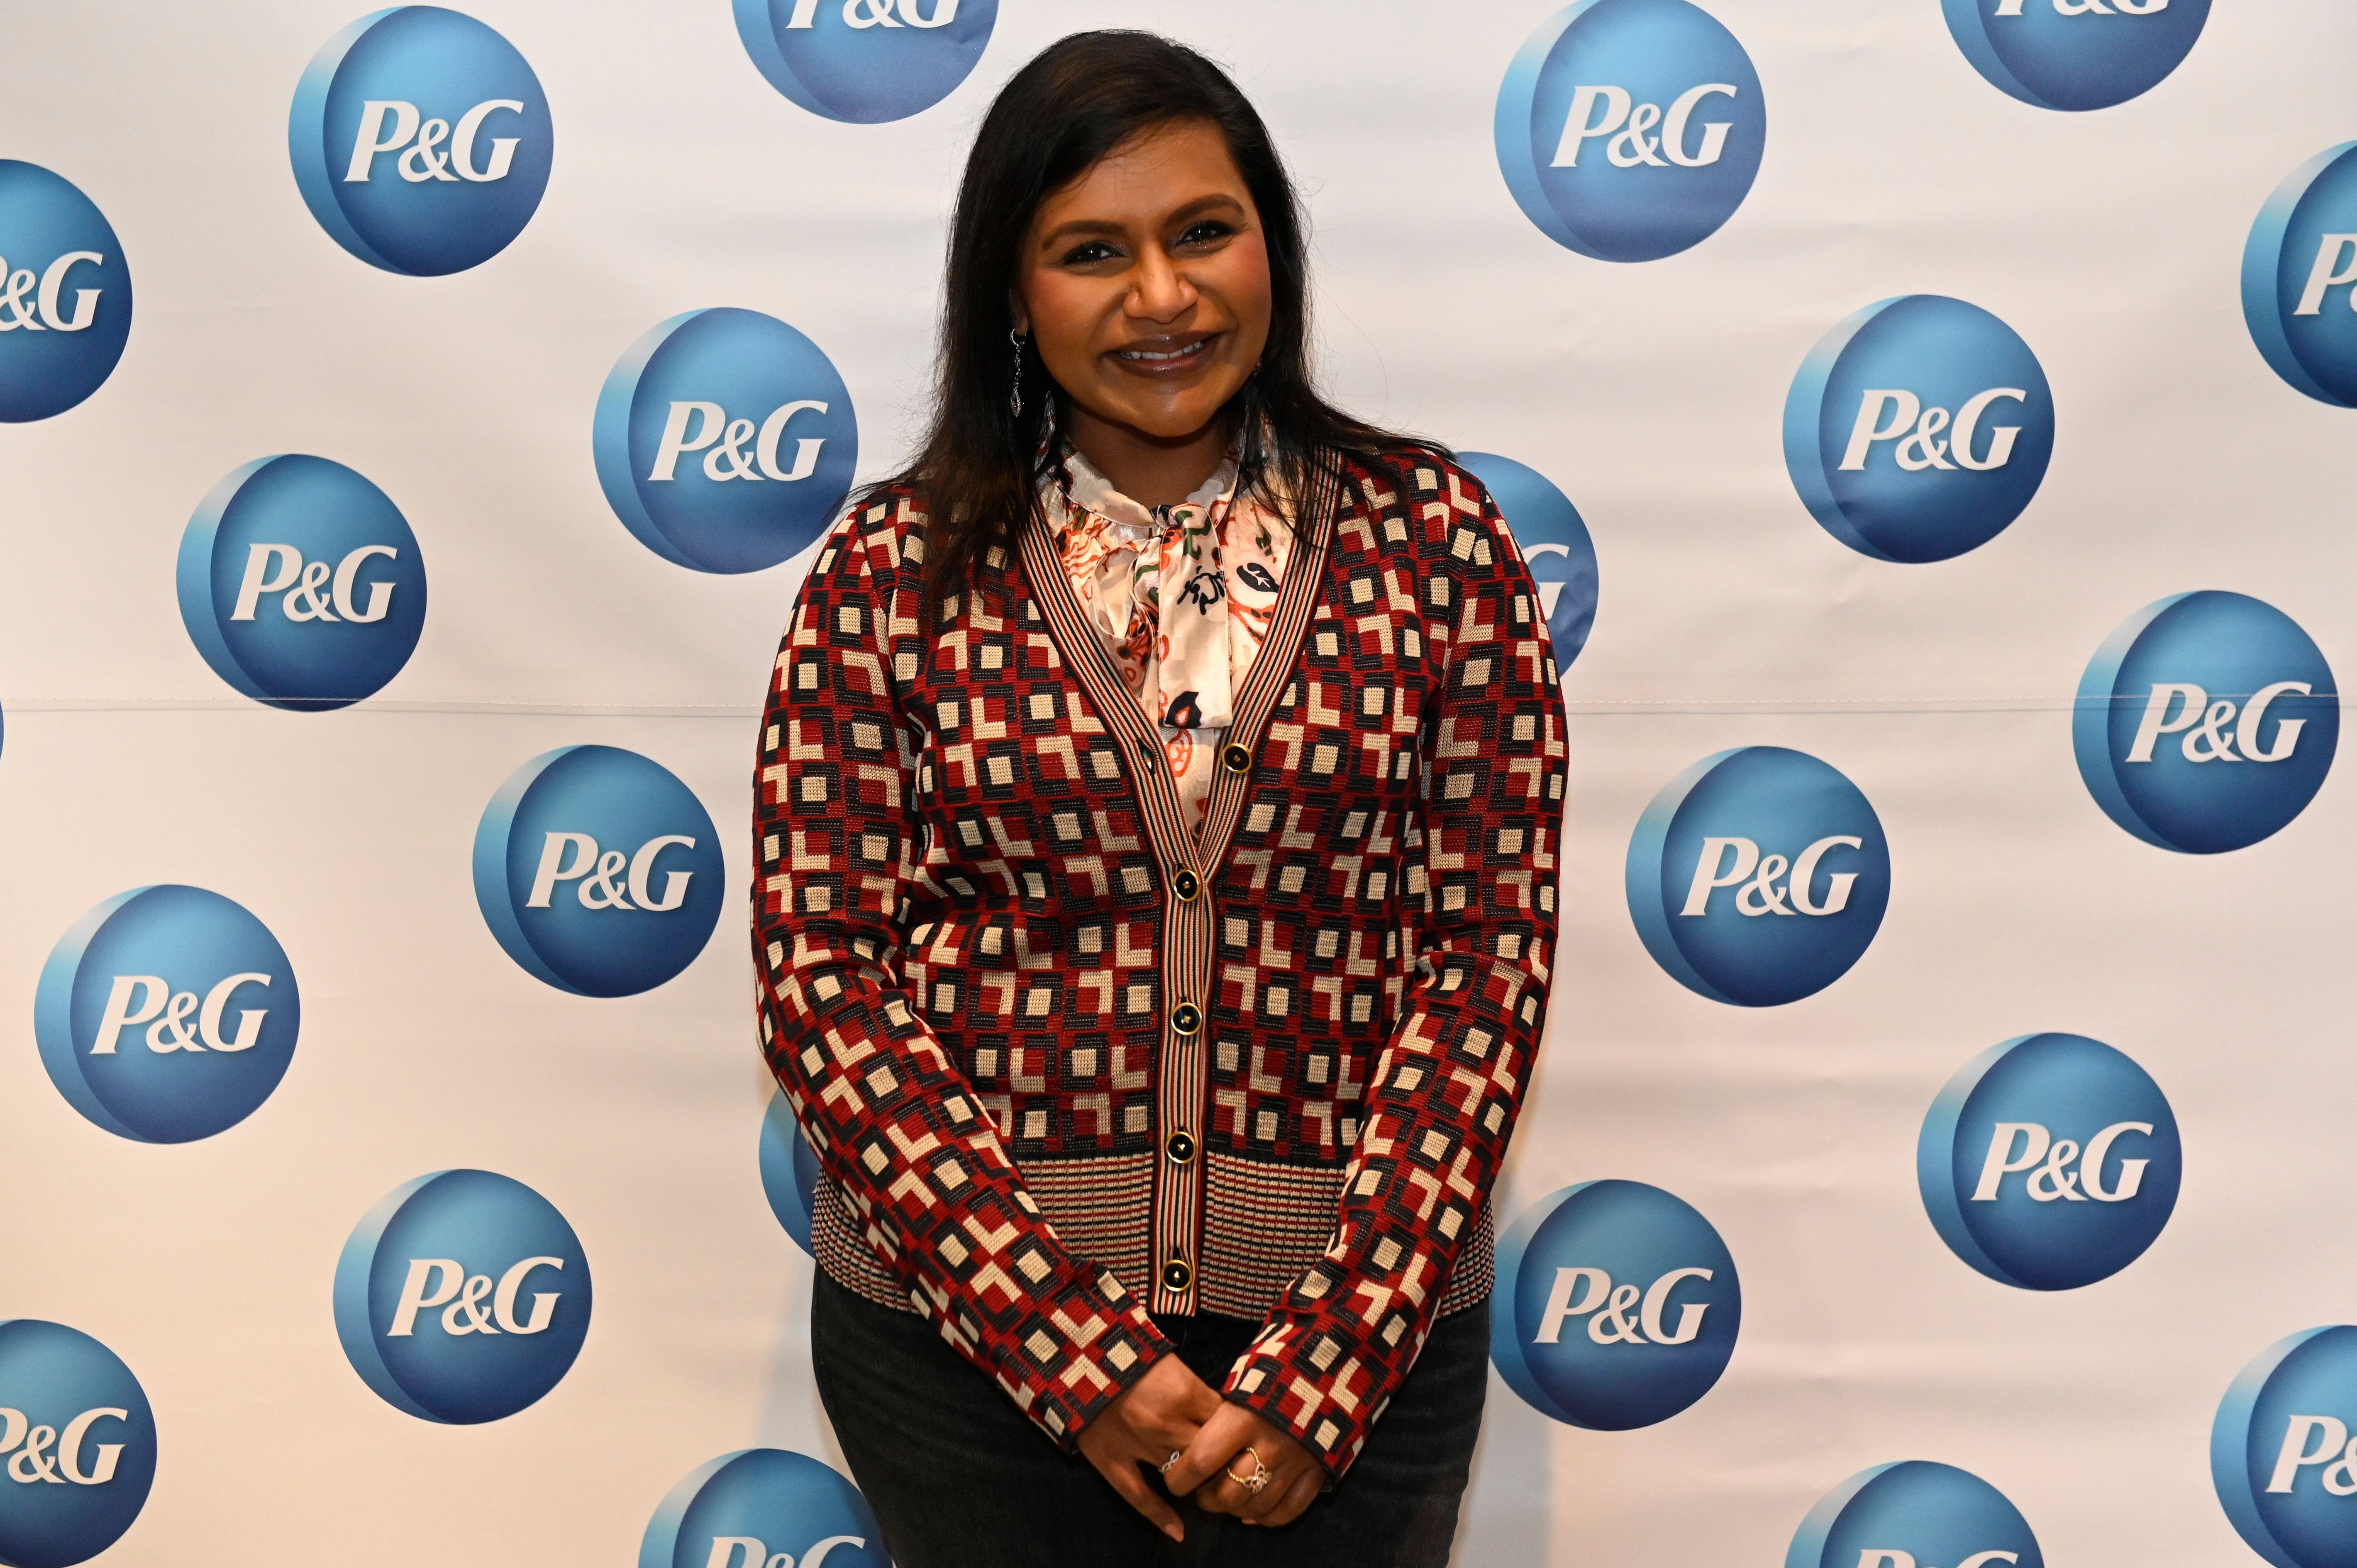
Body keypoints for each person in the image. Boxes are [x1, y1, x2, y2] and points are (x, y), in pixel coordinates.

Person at [752, 29, 1566, 1567]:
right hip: (959, 1357)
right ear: (1009, 286)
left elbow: (1485, 965)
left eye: (1205, 230)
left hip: (1357, 1365)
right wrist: (1077, 1351)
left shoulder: (1440, 546)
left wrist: (1330, 1359)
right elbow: (821, 979)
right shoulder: (890, 574)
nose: (1164, 297)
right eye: (1090, 251)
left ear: (1273, 242)